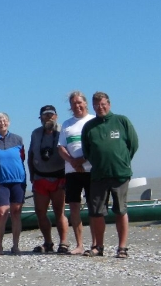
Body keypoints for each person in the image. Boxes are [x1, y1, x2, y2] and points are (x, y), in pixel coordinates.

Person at [81, 92, 139, 258]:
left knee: (120, 210)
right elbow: (87, 150)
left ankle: (122, 248)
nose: (100, 107)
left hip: (120, 174)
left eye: (103, 104)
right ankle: (98, 246)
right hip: (99, 175)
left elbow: (133, 144)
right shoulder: (89, 126)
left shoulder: (121, 121)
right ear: (93, 106)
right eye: (97, 105)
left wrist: (123, 161)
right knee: (97, 212)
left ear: (109, 104)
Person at [58, 91, 96, 255]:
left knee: (94, 207)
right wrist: (73, 161)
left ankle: (95, 244)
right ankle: (79, 244)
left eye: (79, 102)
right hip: (72, 171)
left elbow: (97, 146)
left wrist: (82, 160)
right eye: (73, 103)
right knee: (74, 207)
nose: (77, 106)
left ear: (85, 103)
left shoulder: (94, 121)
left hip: (91, 170)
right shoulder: (67, 124)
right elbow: (61, 147)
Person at [28, 105, 70, 254]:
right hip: (40, 177)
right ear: (40, 118)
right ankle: (48, 242)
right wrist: (32, 176)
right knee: (40, 212)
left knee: (60, 211)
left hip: (59, 177)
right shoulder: (35, 133)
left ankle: (64, 243)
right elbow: (31, 155)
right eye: (45, 115)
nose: (48, 117)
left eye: (51, 114)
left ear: (56, 116)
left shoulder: (63, 130)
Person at [0, 113, 26, 255]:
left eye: (4, 120)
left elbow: (22, 158)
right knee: (2, 212)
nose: (2, 123)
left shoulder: (18, 139)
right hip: (0, 181)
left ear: (8, 122)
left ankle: (15, 245)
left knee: (16, 212)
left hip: (18, 180)